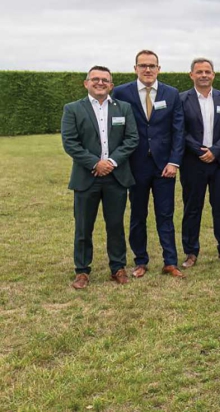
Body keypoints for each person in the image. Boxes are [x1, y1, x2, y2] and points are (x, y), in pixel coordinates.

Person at [61, 66, 139, 289]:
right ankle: (82, 271)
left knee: (115, 225)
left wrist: (111, 162)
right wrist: (95, 163)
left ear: (111, 85)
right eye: (95, 79)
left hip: (116, 177)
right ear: (86, 83)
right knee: (84, 227)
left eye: (105, 80)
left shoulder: (123, 108)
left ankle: (118, 267)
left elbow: (132, 139)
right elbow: (70, 142)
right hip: (87, 177)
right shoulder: (73, 109)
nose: (100, 83)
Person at [114, 50, 186, 278]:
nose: (148, 69)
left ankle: (170, 262)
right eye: (143, 65)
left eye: (152, 65)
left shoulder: (171, 93)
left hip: (165, 165)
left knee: (165, 214)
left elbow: (178, 130)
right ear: (135, 68)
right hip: (136, 165)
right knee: (138, 214)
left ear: (159, 69)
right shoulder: (121, 93)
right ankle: (140, 260)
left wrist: (174, 161)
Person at [178, 58, 220, 268]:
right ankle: (191, 252)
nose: (204, 75)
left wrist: (215, 150)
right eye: (199, 72)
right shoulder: (182, 99)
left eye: (208, 72)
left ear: (214, 74)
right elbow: (180, 130)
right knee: (192, 208)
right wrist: (199, 150)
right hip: (192, 163)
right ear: (191, 75)